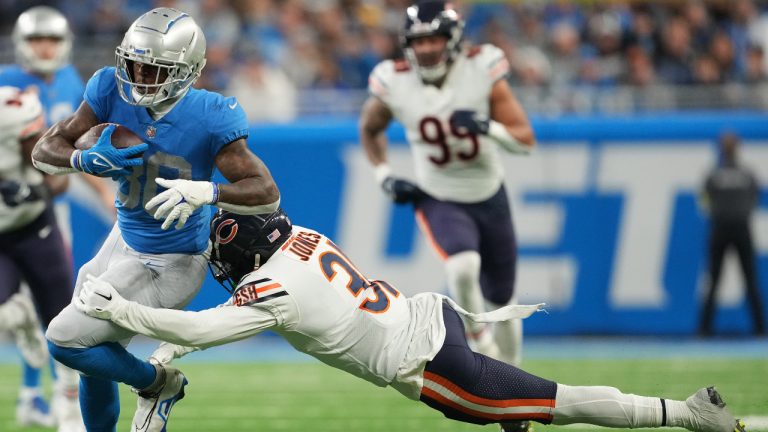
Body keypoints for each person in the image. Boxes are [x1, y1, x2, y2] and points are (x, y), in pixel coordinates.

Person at [74, 208, 746, 432]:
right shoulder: (299, 237)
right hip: (430, 316)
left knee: (553, 403)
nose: (222, 267)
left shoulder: (269, 288)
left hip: (430, 367)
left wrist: (118, 308)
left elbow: (200, 328)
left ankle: (687, 415)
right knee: (531, 404)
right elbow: (219, 321)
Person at [31, 7, 280, 432]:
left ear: (188, 71)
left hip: (171, 259)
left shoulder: (208, 114)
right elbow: (44, 149)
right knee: (92, 361)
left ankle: (159, 382)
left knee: (65, 338)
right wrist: (79, 158)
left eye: (154, 69)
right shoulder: (108, 88)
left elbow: (266, 192)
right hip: (123, 240)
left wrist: (207, 191)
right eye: (134, 64)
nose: (139, 77)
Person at [359, 0, 534, 365]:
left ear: (452, 39)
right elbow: (370, 128)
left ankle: (517, 384)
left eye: (434, 40)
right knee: (462, 266)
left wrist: (490, 127)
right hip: (439, 195)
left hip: (488, 193)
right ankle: (481, 344)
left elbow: (524, 140)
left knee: (504, 300)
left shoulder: (481, 67)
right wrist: (384, 175)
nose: (425, 49)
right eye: (418, 42)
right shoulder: (394, 79)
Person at [0, 7, 115, 429]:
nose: (44, 47)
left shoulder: (70, 82)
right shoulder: (6, 85)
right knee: (30, 305)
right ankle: (33, 394)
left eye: (50, 39)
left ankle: (50, 398)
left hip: (46, 206)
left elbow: (71, 150)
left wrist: (104, 191)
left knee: (54, 304)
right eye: (35, 40)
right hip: (8, 209)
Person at [0, 86, 71, 429]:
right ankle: (21, 319)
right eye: (29, 132)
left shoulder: (25, 126)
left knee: (64, 323)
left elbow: (59, 181)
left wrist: (33, 190)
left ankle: (66, 399)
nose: (36, 139)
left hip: (35, 228)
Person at [699, 132, 765, 337]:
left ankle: (704, 330)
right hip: (741, 227)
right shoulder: (747, 175)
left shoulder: (713, 175)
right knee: (750, 279)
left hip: (719, 228)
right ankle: (760, 329)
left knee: (714, 279)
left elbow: (704, 202)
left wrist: (719, 211)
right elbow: (754, 198)